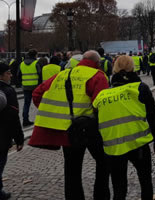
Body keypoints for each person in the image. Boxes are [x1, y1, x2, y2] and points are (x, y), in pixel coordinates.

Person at [28, 50, 110, 200]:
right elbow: (102, 104)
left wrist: (57, 113)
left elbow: (37, 94)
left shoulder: (62, 74)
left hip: (69, 129)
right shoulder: (97, 75)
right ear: (97, 63)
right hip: (91, 128)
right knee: (104, 163)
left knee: (72, 170)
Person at [93, 55, 155, 200]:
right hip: (138, 145)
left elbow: (97, 122)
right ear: (132, 68)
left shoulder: (102, 95)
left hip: (114, 148)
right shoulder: (140, 88)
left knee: (119, 187)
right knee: (145, 182)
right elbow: (152, 116)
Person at [0, 63, 24, 200]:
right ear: (1, 75)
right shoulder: (8, 91)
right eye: (8, 73)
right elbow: (13, 118)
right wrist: (19, 139)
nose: (11, 75)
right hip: (2, 136)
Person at [18, 49, 42, 127]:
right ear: (35, 55)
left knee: (26, 103)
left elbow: (18, 74)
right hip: (36, 86)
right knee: (39, 103)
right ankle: (41, 119)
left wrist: (22, 83)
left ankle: (25, 120)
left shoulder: (21, 64)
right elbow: (40, 74)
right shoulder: (36, 63)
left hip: (26, 86)